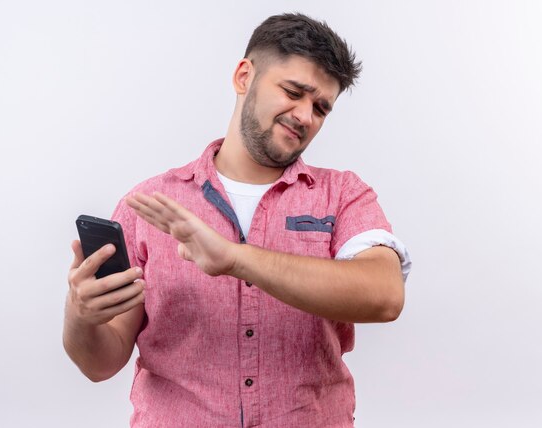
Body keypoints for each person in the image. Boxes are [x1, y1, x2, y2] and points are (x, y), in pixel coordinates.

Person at [63, 12, 411, 428]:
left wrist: (235, 259)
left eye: (321, 107)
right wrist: (80, 315)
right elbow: (100, 364)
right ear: (244, 76)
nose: (305, 116)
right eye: (293, 91)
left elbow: (384, 295)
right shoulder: (150, 205)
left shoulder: (343, 195)